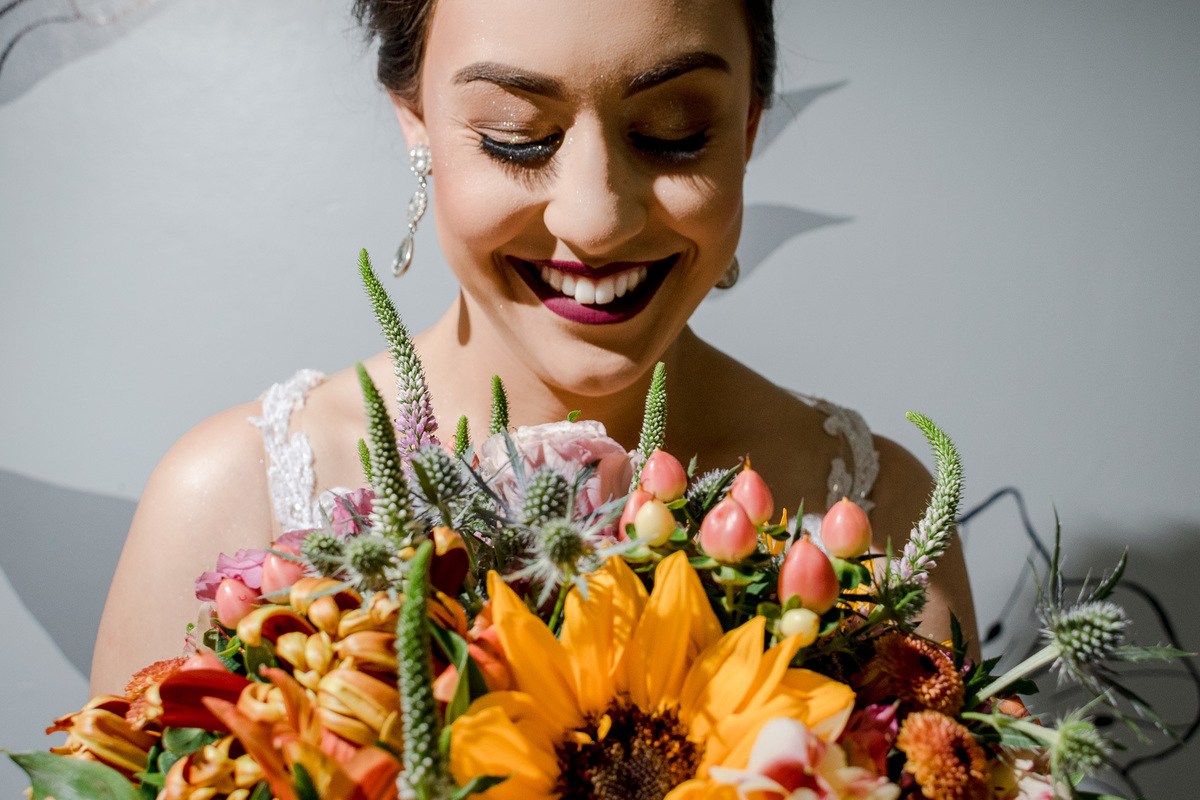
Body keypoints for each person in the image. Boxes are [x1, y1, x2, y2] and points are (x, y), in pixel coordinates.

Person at [91, 0, 976, 695]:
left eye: (673, 131)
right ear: (416, 121)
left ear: (747, 127)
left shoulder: (879, 517)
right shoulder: (229, 503)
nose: (596, 220)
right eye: (516, 137)